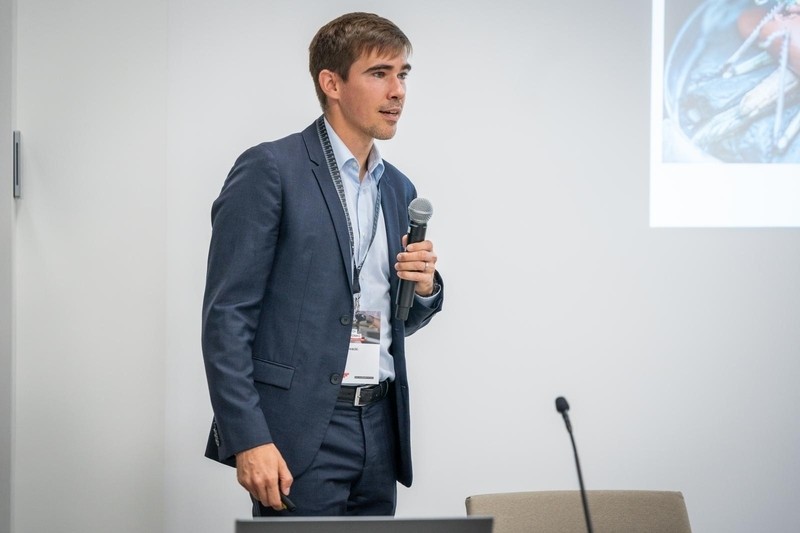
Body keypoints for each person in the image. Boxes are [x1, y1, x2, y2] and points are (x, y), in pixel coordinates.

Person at [201, 12, 444, 517]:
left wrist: (423, 290)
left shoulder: (399, 188)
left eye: (403, 74)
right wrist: (248, 437)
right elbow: (227, 317)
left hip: (379, 427)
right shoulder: (271, 169)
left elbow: (391, 318)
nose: (397, 91)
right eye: (379, 73)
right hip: (297, 429)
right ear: (331, 83)